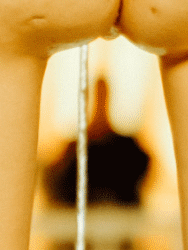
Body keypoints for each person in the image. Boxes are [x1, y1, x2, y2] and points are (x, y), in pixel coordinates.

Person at [43, 72, 151, 210]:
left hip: (120, 216)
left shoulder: (127, 146)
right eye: (97, 96)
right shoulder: (74, 148)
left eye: (102, 95)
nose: (99, 101)